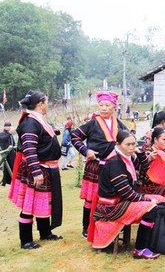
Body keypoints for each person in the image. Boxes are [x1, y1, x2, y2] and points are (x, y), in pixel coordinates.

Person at [87, 130, 165, 259]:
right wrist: (146, 199)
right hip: (110, 207)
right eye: (127, 144)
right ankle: (140, 249)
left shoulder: (127, 158)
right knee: (151, 207)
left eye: (133, 144)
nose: (131, 148)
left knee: (161, 199)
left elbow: (144, 168)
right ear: (117, 144)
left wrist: (140, 153)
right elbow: (127, 193)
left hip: (122, 201)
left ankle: (154, 241)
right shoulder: (115, 163)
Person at [8, 91, 63, 249]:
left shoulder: (36, 120)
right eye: (46, 102)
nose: (47, 105)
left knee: (43, 201)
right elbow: (30, 149)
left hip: (46, 167)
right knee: (29, 204)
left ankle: (45, 232)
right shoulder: (31, 123)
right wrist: (36, 172)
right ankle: (25, 240)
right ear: (40, 104)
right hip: (37, 168)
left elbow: (42, 138)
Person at [72, 91, 128, 238]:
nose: (103, 108)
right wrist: (85, 150)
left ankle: (109, 224)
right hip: (96, 166)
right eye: (101, 105)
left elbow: (128, 139)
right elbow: (75, 136)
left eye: (107, 105)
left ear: (114, 107)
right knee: (91, 198)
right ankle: (87, 227)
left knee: (111, 196)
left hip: (114, 166)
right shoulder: (92, 123)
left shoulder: (120, 124)